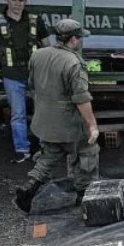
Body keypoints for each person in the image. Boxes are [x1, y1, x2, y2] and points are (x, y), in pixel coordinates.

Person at [14, 19, 99, 213]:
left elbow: (32, 86)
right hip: (69, 124)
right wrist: (92, 125)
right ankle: (84, 198)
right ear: (74, 39)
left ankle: (29, 187)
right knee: (86, 154)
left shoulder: (38, 55)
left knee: (49, 156)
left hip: (44, 121)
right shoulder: (74, 63)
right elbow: (81, 99)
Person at [0, 0, 51, 163]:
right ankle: (22, 150)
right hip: (11, 74)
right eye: (13, 0)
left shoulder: (35, 19)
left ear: (26, 1)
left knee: (42, 111)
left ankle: (45, 148)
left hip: (36, 73)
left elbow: (48, 46)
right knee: (17, 113)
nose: (17, 4)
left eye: (20, 0)